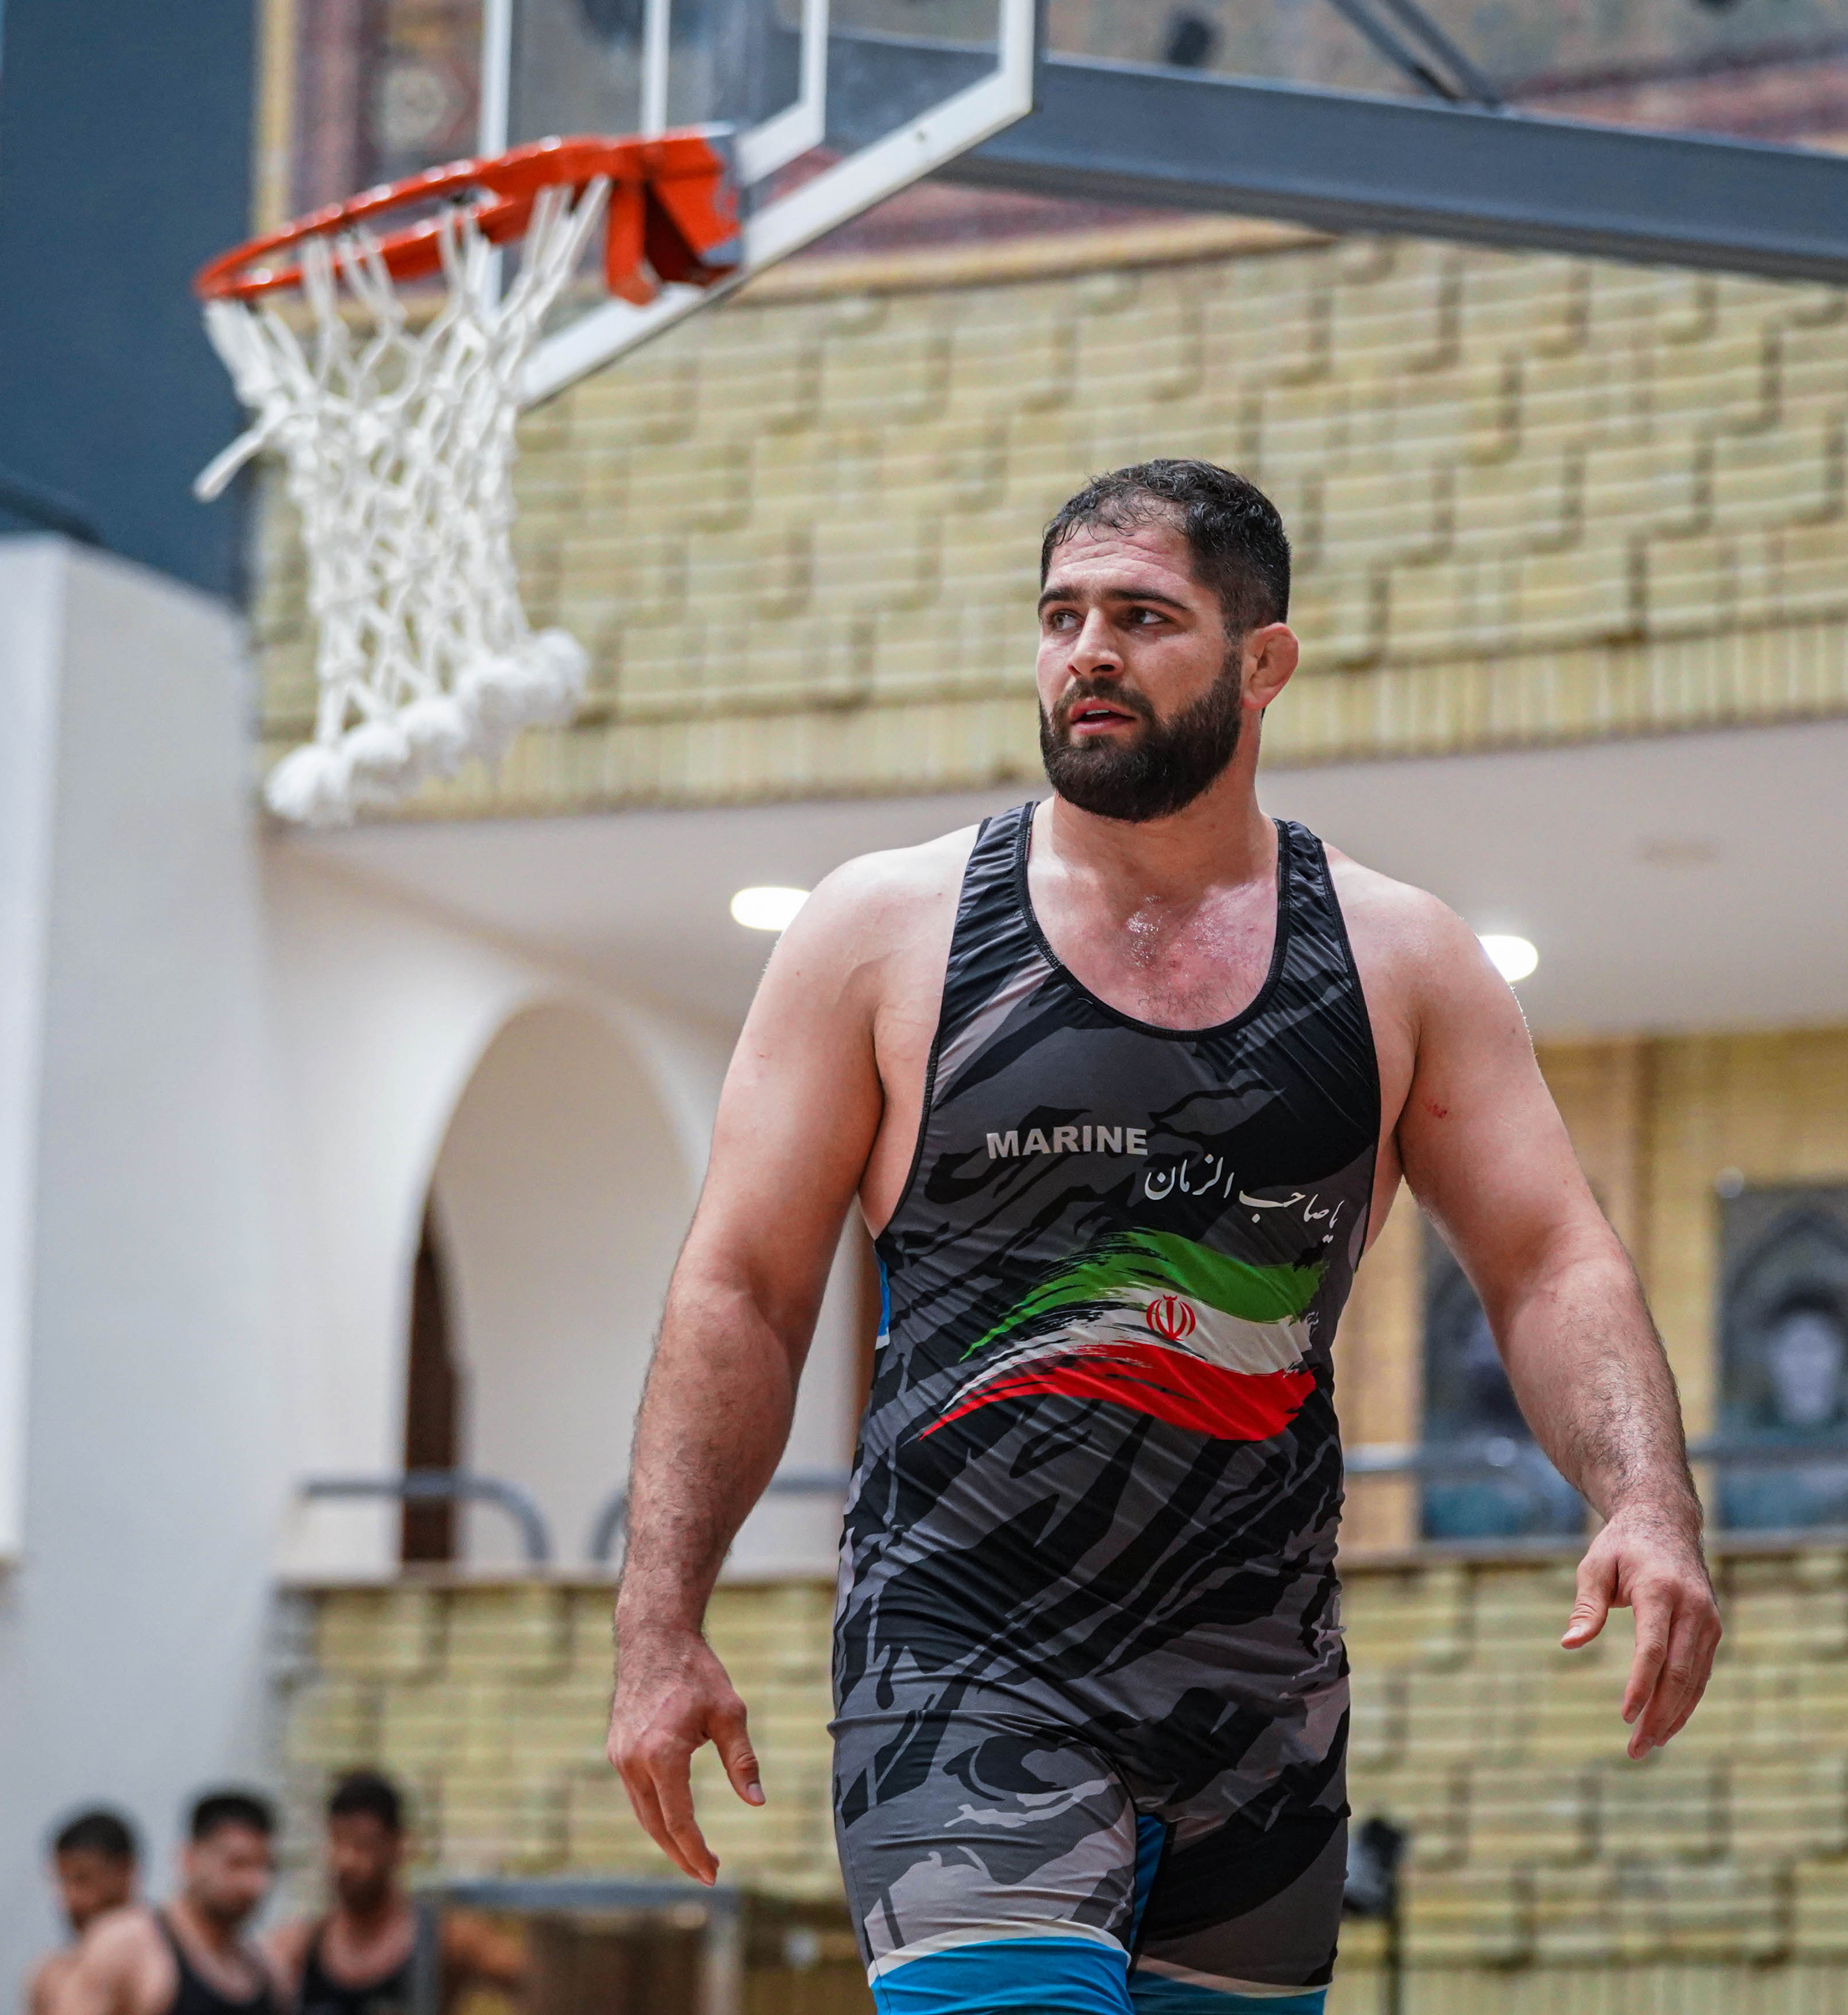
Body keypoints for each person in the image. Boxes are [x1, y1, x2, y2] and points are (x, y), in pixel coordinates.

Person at [604, 460, 1723, 2014]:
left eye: (1141, 617)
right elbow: (742, 1285)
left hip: (1257, 1694)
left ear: (1263, 662)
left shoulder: (1397, 957)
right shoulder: (885, 933)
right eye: (1060, 616)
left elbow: (1552, 1262)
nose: (1088, 653)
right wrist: (658, 1618)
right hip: (960, 1664)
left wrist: (1647, 1498)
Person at [265, 1772, 524, 2015]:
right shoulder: (298, 1948)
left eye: (362, 1845)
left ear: (399, 1847)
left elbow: (532, 1980)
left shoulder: (446, 1939)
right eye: (337, 1842)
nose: (346, 1861)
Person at [54, 1791, 285, 2015]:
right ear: (189, 1858)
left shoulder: (262, 1968)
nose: (255, 1884)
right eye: (237, 1864)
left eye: (265, 1867)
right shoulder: (128, 1946)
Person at [28, 1808, 141, 2015]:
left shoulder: (169, 1968)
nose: (71, 1899)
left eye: (83, 1879)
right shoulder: (51, 1981)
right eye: (63, 1882)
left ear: (126, 1871)